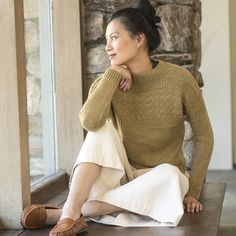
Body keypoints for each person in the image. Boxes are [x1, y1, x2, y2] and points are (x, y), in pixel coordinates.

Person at [20, 0, 214, 235]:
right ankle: (73, 210)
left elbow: (204, 136)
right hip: (120, 176)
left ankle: (66, 214)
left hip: (158, 180)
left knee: (173, 177)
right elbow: (90, 122)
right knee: (101, 130)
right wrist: (112, 75)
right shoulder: (109, 81)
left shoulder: (180, 79)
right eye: (106, 40)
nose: (107, 47)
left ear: (139, 39)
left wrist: (193, 191)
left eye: (113, 37)